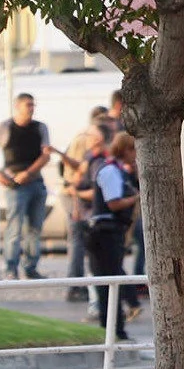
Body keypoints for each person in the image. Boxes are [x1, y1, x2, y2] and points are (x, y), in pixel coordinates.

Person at [0, 94, 52, 280]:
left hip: (35, 181)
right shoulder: (4, 127)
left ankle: (31, 267)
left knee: (35, 228)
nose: (31, 108)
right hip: (14, 184)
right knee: (14, 226)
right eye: (27, 105)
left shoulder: (40, 127)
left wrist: (28, 173)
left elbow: (45, 155)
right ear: (17, 106)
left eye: (32, 105)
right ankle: (10, 267)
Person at [79, 131, 140, 340]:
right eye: (133, 149)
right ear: (126, 150)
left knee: (111, 279)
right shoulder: (111, 172)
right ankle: (114, 330)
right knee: (109, 281)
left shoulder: (119, 171)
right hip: (104, 233)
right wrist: (136, 198)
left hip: (110, 231)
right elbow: (114, 202)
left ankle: (114, 328)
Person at [54, 108, 111, 304]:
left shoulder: (92, 155)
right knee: (80, 242)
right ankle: (77, 287)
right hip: (77, 200)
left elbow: (75, 175)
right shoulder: (88, 148)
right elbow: (76, 179)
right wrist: (77, 200)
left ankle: (79, 286)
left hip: (78, 200)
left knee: (81, 243)